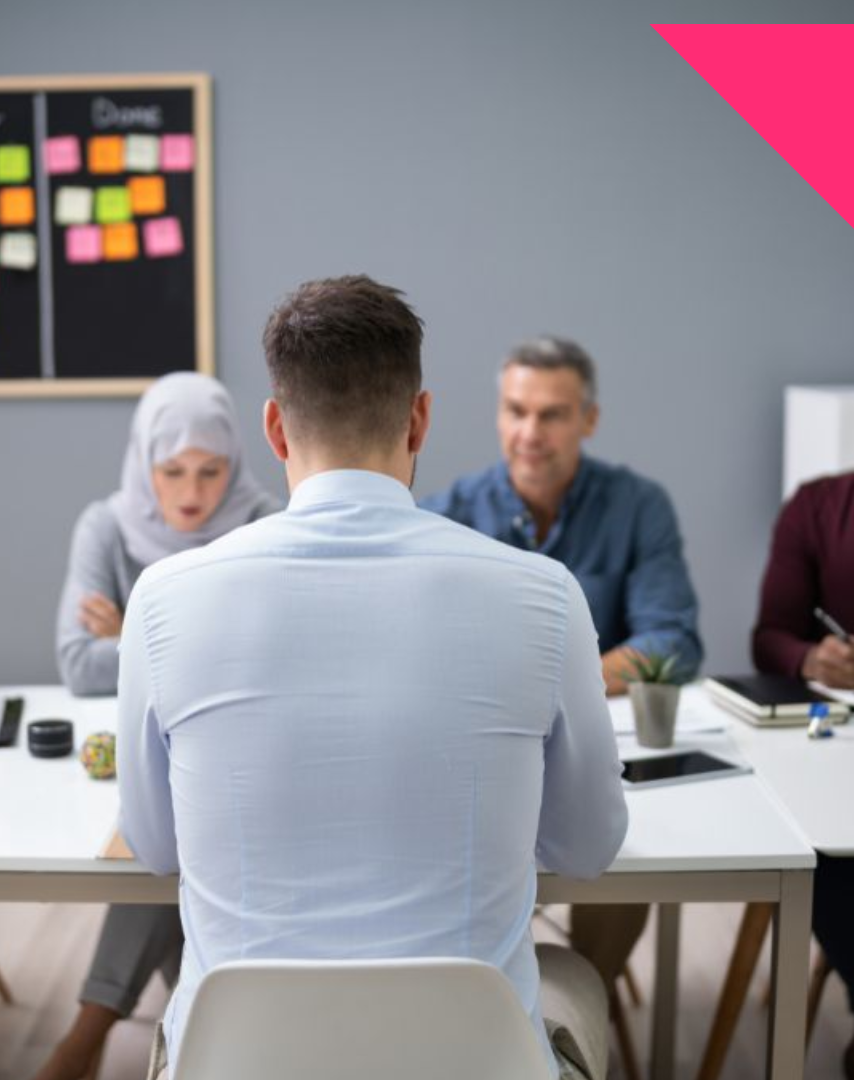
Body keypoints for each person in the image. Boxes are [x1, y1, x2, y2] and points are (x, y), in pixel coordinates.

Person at [117, 276, 629, 1080]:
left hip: (235, 1064)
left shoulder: (163, 600)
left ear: (275, 430)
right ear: (420, 418)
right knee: (573, 978)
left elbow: (153, 849)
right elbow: (588, 847)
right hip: (473, 1066)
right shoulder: (543, 594)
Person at [420, 335, 702, 989]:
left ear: (589, 420)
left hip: (602, 754)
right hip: (479, 761)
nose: (529, 432)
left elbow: (673, 640)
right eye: (516, 411)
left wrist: (549, 681)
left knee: (627, 862)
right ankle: (473, 999)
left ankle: (576, 1001)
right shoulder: (446, 516)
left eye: (552, 414)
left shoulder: (639, 507)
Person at [34, 372, 278, 1080]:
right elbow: (79, 664)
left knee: (171, 839)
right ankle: (195, 1024)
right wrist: (206, 641)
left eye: (211, 469)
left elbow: (266, 661)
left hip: (236, 759)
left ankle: (96, 1028)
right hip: (147, 755)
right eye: (171, 471)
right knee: (170, 843)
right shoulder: (106, 525)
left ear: (237, 462)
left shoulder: (266, 519)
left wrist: (137, 629)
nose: (192, 491)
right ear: (145, 463)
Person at [753, 454, 854, 1079]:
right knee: (824, 856)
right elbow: (770, 636)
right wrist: (812, 658)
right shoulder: (821, 506)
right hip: (845, 760)